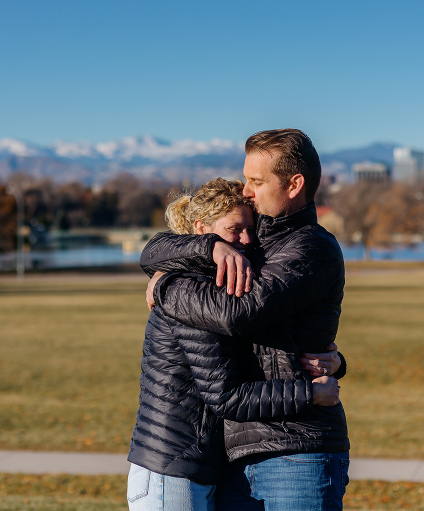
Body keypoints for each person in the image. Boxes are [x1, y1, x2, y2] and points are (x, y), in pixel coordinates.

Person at [143, 129, 349, 510]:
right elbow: (154, 248)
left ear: (294, 185)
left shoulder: (310, 247)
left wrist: (164, 287)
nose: (246, 192)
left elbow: (236, 314)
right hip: (237, 454)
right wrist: (208, 246)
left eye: (256, 181)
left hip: (294, 451)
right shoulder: (254, 241)